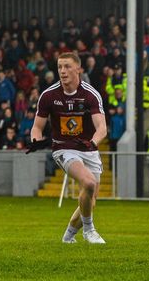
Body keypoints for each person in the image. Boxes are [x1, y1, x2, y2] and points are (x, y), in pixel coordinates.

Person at [26, 52, 107, 244]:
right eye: (60, 67)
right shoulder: (48, 95)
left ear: (78, 69)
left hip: (88, 148)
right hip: (63, 149)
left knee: (90, 199)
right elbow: (37, 126)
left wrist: (93, 143)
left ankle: (69, 235)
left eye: (67, 66)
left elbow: (102, 128)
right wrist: (36, 140)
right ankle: (90, 231)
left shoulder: (90, 95)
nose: (62, 71)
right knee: (88, 183)